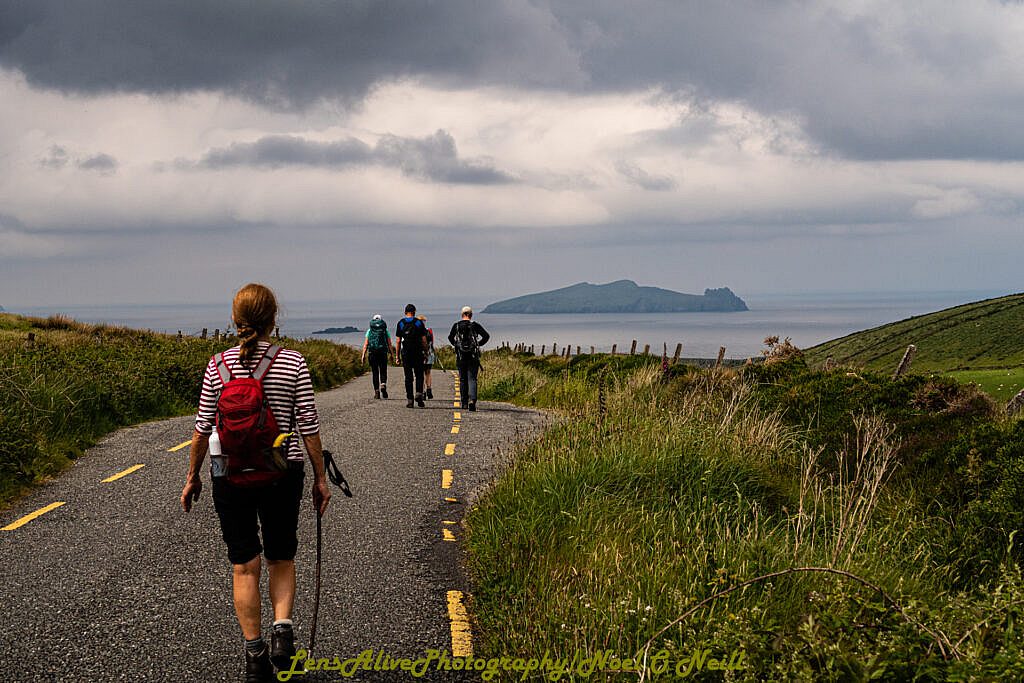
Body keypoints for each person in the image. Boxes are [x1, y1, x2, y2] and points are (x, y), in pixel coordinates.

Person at [180, 283, 331, 683]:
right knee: (280, 556)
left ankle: (254, 655)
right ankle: (283, 631)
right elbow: (309, 428)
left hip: (229, 477)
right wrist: (320, 479)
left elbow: (201, 430)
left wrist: (192, 477)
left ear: (235, 321)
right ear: (273, 319)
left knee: (243, 565)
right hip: (283, 472)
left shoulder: (217, 366)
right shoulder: (293, 363)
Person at [448, 306, 490, 411]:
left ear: (462, 314)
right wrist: (478, 344)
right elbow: (486, 336)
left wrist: (456, 345)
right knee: (472, 378)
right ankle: (473, 401)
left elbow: (450, 337)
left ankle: (464, 403)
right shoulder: (474, 325)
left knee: (462, 379)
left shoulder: (456, 326)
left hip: (461, 356)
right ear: (471, 315)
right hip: (473, 356)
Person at [394, 303, 428, 408]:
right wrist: (426, 352)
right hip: (417, 352)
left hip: (406, 353)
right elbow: (424, 340)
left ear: (405, 312)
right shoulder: (418, 323)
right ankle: (419, 393)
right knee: (419, 375)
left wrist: (397, 356)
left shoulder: (401, 323)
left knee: (408, 377)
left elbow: (398, 341)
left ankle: (410, 399)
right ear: (414, 312)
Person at [360, 314, 393, 399]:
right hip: (383, 352)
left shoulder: (369, 331)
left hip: (372, 353)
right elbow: (389, 343)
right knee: (383, 370)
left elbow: (366, 344)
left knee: (375, 372)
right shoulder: (385, 331)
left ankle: (377, 392)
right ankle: (383, 384)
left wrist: (363, 355)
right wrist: (392, 354)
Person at [417, 314, 436, 400]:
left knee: (420, 374)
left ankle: (423, 392)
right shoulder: (429, 330)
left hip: (419, 354)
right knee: (428, 372)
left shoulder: (416, 331)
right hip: (429, 353)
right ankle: (429, 389)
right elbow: (432, 342)